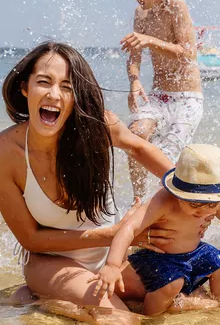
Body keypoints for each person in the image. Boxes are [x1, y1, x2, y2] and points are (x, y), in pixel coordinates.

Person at [0, 41, 184, 324]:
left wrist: (185, 193)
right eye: (44, 82)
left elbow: (138, 148)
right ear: (25, 88)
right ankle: (47, 294)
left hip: (112, 255)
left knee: (172, 301)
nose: (54, 94)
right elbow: (30, 238)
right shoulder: (5, 153)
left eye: (67, 86)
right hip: (50, 261)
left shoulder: (96, 127)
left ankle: (44, 301)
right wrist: (117, 234)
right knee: (120, 318)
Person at [90, 144, 220, 316]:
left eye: (211, 205)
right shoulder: (164, 202)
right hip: (158, 257)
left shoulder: (213, 199)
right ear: (178, 193)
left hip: (194, 252)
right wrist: (112, 265)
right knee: (173, 281)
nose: (204, 212)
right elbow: (128, 229)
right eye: (195, 204)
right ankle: (148, 314)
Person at [120, 0, 203, 198]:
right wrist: (134, 81)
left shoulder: (176, 6)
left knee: (163, 157)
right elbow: (134, 56)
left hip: (187, 99)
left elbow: (188, 52)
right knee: (136, 135)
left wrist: (149, 40)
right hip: (159, 95)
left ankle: (170, 209)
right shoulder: (140, 13)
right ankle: (138, 201)